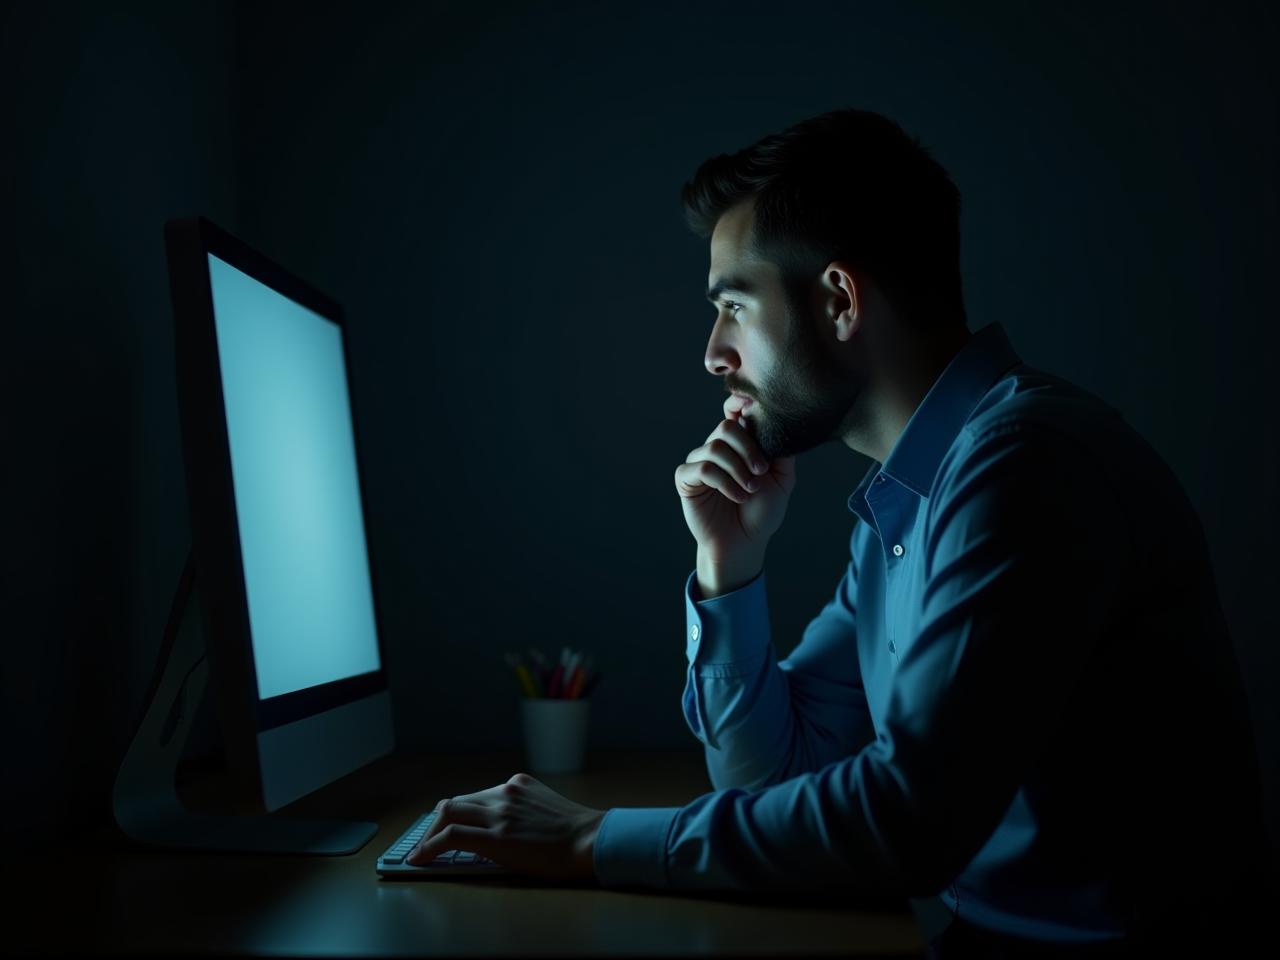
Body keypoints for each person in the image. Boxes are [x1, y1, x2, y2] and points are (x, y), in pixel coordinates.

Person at [406, 109, 1275, 955]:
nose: (713, 353)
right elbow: (773, 781)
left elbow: (910, 821)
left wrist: (594, 841)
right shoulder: (906, 498)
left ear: (838, 300)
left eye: (734, 305)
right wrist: (729, 569)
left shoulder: (1024, 467)